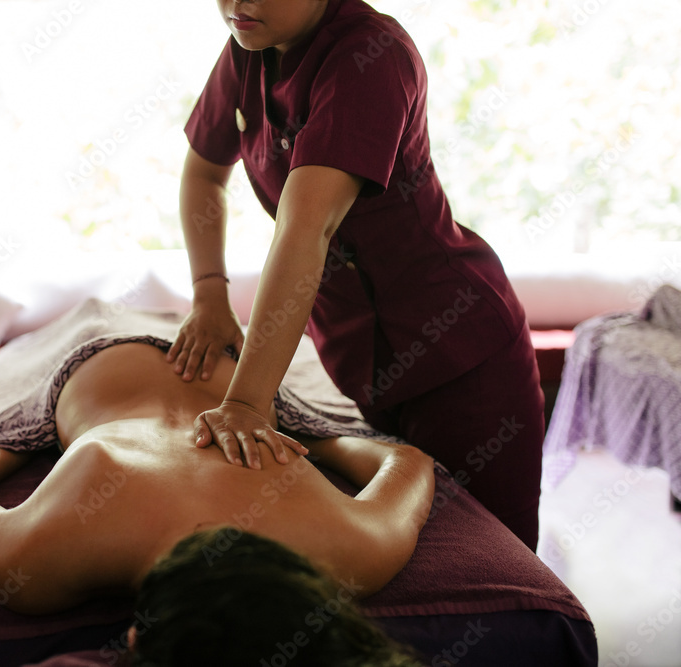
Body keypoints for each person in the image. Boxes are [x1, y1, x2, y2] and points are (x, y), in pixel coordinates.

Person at [166, 0, 545, 550]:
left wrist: (246, 405)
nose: (237, 2)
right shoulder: (250, 43)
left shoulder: (371, 57)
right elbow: (203, 174)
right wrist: (208, 297)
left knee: (494, 556)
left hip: (462, 357)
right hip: (362, 363)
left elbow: (308, 229)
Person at [0, 341, 432, 664]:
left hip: (234, 366)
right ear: (137, 637)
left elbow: (409, 463)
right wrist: (19, 444)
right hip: (144, 363)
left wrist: (305, 439)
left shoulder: (358, 549)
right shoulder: (28, 559)